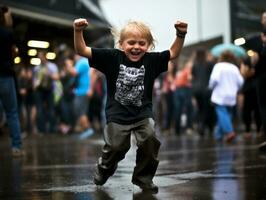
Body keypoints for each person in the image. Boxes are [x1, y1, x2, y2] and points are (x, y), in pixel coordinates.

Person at [73, 18, 187, 193]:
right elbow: (82, 50)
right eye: (131, 42)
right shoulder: (112, 57)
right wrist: (78, 31)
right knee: (117, 147)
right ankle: (103, 169)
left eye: (142, 43)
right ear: (121, 44)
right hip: (117, 113)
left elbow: (173, 52)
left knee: (149, 139)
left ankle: (143, 178)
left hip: (142, 113)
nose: (136, 47)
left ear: (149, 45)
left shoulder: (152, 60)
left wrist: (181, 34)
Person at [0, 6, 24, 156]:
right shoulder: (7, 33)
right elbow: (16, 51)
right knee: (12, 113)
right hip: (6, 76)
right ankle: (16, 146)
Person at [208, 51, 244, 143]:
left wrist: (210, 87)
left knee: (222, 113)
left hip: (220, 95)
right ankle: (218, 135)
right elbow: (241, 82)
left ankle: (230, 132)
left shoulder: (218, 66)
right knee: (227, 114)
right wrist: (235, 89)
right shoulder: (234, 68)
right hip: (231, 95)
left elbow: (214, 80)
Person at [65, 53, 94, 139]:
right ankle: (86, 130)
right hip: (82, 90)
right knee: (81, 111)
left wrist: (68, 64)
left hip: (82, 91)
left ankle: (88, 130)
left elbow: (74, 72)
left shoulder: (82, 62)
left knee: (80, 111)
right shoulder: (85, 62)